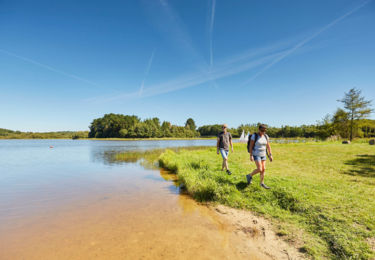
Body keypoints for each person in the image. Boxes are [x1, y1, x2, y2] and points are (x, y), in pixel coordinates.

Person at [246, 124, 273, 189]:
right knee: (259, 169)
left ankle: (262, 183)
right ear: (259, 130)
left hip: (263, 155)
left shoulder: (266, 136)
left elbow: (268, 146)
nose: (263, 132)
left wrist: (270, 155)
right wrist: (251, 155)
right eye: (262, 130)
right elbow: (251, 146)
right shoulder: (254, 136)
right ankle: (249, 175)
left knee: (263, 169)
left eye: (264, 131)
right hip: (256, 154)